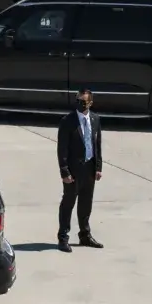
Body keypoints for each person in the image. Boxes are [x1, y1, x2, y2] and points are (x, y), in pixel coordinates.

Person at [56, 90, 104, 251]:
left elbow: (97, 145)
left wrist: (98, 167)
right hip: (73, 170)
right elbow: (62, 148)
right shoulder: (67, 121)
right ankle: (63, 237)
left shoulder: (95, 119)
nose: (80, 104)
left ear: (90, 103)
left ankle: (85, 235)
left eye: (83, 102)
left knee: (86, 203)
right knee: (68, 203)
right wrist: (64, 171)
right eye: (78, 100)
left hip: (89, 168)